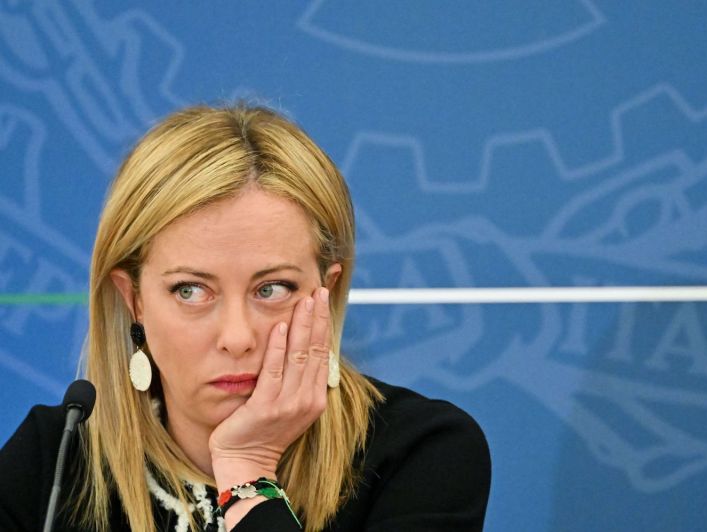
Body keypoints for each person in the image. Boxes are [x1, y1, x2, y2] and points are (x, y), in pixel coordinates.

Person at [0, 104, 491, 531]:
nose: (236, 338)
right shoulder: (54, 460)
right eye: (190, 290)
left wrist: (248, 473)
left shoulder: (421, 452)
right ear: (135, 301)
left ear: (327, 290)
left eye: (271, 289)